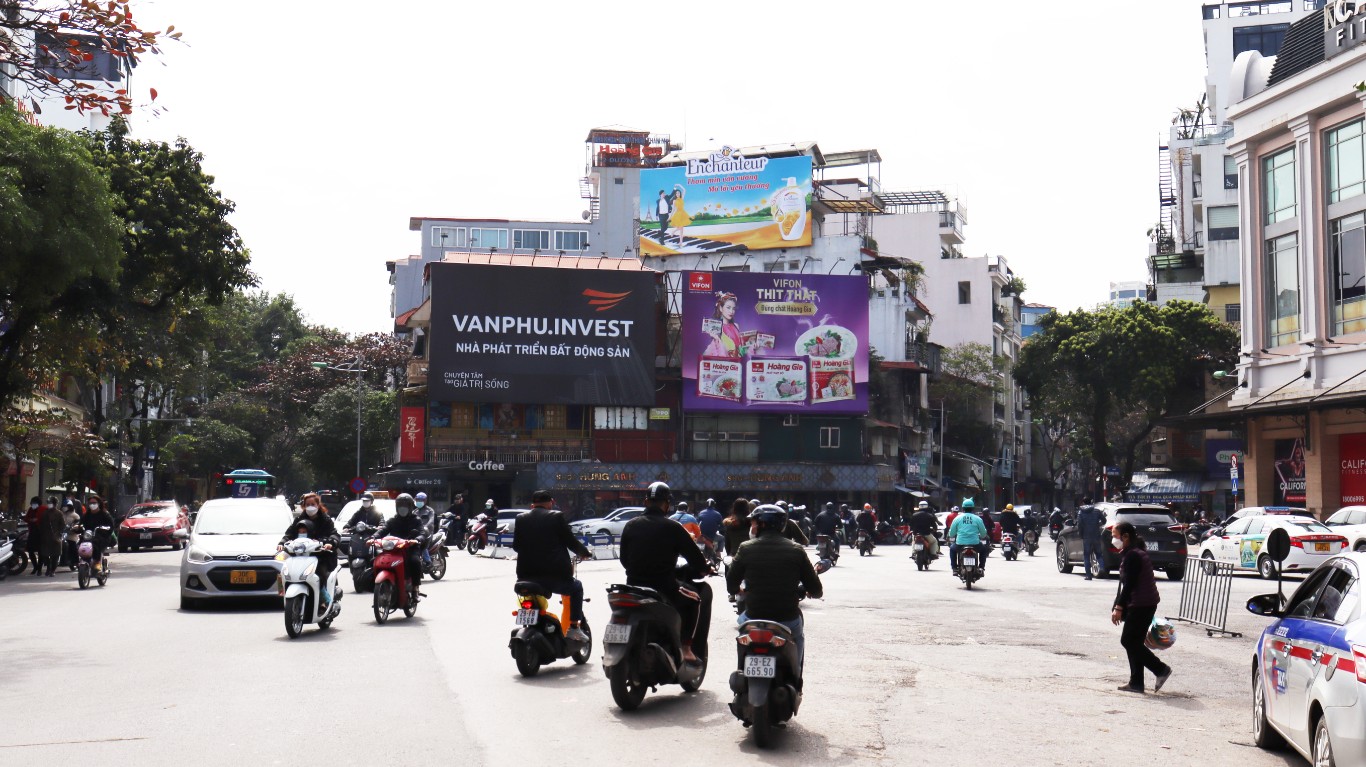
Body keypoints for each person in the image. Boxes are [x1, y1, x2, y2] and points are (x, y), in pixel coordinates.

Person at [619, 482, 712, 664]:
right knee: (694, 600)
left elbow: (624, 560)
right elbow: (697, 560)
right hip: (664, 587)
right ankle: (686, 649)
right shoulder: (673, 527)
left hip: (633, 587)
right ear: (667, 505)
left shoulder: (631, 525)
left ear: (646, 502)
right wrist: (706, 568)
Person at [727, 504, 823, 676]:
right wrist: (810, 592)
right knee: (798, 636)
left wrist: (739, 590)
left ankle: (741, 669)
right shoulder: (796, 550)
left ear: (762, 524)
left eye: (754, 523)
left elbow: (731, 584)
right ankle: (796, 676)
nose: (751, 527)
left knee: (741, 626)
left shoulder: (746, 548)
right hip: (788, 619)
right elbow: (816, 590)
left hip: (753, 616)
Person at [513, 490, 594, 642]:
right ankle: (574, 628)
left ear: (532, 505)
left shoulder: (521, 518)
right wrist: (585, 553)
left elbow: (516, 546)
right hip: (554, 578)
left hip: (525, 577)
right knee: (576, 588)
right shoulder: (556, 517)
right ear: (551, 502)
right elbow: (570, 541)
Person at [1111, 521, 1172, 693]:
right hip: (1144, 603)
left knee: (1128, 641)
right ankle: (1136, 682)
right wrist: (1119, 605)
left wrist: (1119, 608)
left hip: (1141, 604)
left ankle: (1160, 669)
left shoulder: (1133, 555)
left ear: (1125, 537)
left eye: (1115, 536)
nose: (1113, 540)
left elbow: (1129, 584)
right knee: (1135, 642)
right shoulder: (1133, 552)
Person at [279, 492, 340, 603]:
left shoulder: (326, 520)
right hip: (301, 556)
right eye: (307, 504)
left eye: (313, 504)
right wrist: (282, 543)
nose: (310, 507)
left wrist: (329, 543)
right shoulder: (299, 520)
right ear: (303, 506)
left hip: (322, 556)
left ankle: (324, 600)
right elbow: (289, 534)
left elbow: (334, 535)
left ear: (318, 505)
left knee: (320, 574)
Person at [372, 493, 426, 592]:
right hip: (394, 549)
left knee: (415, 561)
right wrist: (373, 538)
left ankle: (415, 587)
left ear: (410, 507)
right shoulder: (392, 520)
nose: (402, 508)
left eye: (405, 505)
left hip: (410, 548)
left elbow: (422, 533)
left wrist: (417, 540)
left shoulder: (416, 520)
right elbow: (383, 530)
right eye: (400, 505)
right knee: (376, 560)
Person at [948, 503, 988, 576]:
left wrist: (952, 535)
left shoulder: (957, 518)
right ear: (973, 508)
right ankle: (981, 568)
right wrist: (983, 536)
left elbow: (951, 533)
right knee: (983, 550)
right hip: (975, 543)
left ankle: (954, 569)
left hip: (960, 543)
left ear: (963, 508)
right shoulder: (978, 519)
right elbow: (983, 533)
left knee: (952, 549)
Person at [78, 495, 115, 571]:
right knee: (79, 544)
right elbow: (80, 525)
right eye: (90, 503)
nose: (92, 505)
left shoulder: (105, 514)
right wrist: (77, 528)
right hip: (88, 536)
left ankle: (97, 562)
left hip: (102, 537)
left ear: (99, 503)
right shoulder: (86, 515)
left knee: (96, 544)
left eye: (94, 503)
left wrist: (104, 529)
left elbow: (111, 526)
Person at [703, 291, 745, 358]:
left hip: (738, 361)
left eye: (733, 308)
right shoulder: (717, 327)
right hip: (726, 362)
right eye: (728, 307)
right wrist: (716, 339)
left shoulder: (736, 326)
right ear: (721, 308)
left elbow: (741, 348)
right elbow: (717, 352)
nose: (731, 311)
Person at [1076, 501, 1105, 581]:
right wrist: (1098, 525)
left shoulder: (1081, 512)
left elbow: (1079, 525)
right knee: (1098, 554)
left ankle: (1088, 576)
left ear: (1083, 503)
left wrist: (1081, 535)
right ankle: (1102, 568)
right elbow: (1104, 521)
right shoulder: (1097, 511)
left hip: (1086, 537)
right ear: (1091, 502)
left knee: (1086, 556)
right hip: (1096, 535)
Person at [23, 496, 45, 575]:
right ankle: (35, 567)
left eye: (34, 503)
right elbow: (26, 518)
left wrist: (37, 520)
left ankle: (39, 568)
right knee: (30, 551)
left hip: (40, 533)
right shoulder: (31, 509)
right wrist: (31, 520)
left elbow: (45, 519)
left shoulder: (43, 509)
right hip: (32, 532)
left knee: (41, 551)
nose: (32, 505)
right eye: (32, 503)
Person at [62, 500, 82, 570]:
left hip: (72, 535)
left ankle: (76, 562)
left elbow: (78, 524)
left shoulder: (75, 515)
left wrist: (73, 527)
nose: (64, 507)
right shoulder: (62, 514)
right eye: (64, 506)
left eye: (66, 506)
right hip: (63, 535)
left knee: (73, 548)